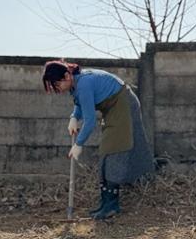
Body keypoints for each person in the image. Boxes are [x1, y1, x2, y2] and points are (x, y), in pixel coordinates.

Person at [42, 60, 154, 220]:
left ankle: (112, 206)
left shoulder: (84, 83)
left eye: (56, 84)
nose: (56, 89)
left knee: (115, 150)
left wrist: (78, 144)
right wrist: (74, 117)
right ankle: (105, 203)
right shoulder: (77, 82)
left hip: (124, 104)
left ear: (66, 76)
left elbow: (90, 121)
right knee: (106, 152)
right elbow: (81, 103)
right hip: (113, 107)